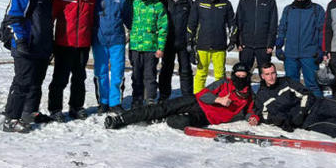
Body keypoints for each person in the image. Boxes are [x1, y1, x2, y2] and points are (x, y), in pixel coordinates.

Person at [106, 63, 254, 130]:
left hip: (207, 118)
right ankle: (121, 119)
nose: (240, 79)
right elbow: (202, 94)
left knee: (179, 121)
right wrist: (218, 99)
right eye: (238, 76)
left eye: (243, 76)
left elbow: (251, 111)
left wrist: (253, 118)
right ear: (233, 76)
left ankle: (165, 119)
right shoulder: (224, 83)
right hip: (196, 102)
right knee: (162, 107)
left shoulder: (249, 96)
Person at [0, 0, 54, 133]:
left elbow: (46, 25)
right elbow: (12, 18)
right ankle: (11, 119)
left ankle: (29, 113)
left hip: (41, 48)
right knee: (22, 83)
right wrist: (21, 41)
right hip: (24, 47)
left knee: (36, 83)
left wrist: (50, 46)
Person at [47, 0, 94, 121]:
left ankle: (76, 106)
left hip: (83, 45)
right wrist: (48, 42)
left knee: (80, 78)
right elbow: (50, 19)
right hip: (63, 44)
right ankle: (55, 109)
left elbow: (93, 20)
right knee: (60, 78)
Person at [92, 0, 131, 113]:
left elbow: (129, 18)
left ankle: (115, 102)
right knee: (100, 71)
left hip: (117, 40)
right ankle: (103, 102)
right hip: (99, 40)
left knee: (117, 71)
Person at [275, 0, 324, 96]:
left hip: (309, 54)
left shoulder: (317, 10)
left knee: (312, 84)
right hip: (291, 55)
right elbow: (282, 28)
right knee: (291, 86)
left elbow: (322, 31)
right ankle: (294, 110)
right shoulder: (288, 10)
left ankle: (317, 111)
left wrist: (321, 49)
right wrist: (278, 46)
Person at [187, 0, 235, 93]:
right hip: (202, 45)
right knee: (201, 74)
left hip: (219, 46)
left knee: (220, 75)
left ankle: (222, 99)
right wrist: (189, 42)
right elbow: (191, 24)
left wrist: (233, 39)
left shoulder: (225, 4)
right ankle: (197, 101)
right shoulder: (199, 3)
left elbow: (232, 23)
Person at [129, 0, 167, 106]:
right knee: (136, 75)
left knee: (150, 75)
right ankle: (137, 99)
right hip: (135, 46)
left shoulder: (158, 5)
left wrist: (161, 48)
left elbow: (163, 28)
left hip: (151, 47)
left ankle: (150, 99)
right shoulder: (134, 3)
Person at [159, 0, 194, 101]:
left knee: (185, 70)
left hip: (183, 42)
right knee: (166, 69)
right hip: (168, 42)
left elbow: (193, 21)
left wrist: (192, 39)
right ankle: (164, 95)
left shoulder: (188, 1)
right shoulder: (163, 2)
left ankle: (187, 96)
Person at [234, 0, 277, 72]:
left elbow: (273, 24)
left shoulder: (270, 2)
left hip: (263, 46)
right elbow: (238, 23)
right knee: (244, 73)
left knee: (265, 73)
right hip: (246, 46)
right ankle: (245, 88)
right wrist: (238, 42)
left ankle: (264, 88)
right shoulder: (244, 1)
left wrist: (270, 44)